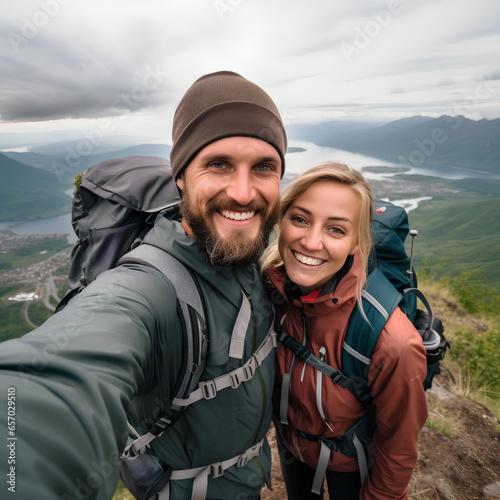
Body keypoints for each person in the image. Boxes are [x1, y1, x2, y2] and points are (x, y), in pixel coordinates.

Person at [0, 71, 287, 500]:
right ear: (180, 177)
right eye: (219, 164)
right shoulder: (147, 287)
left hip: (249, 479)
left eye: (264, 167)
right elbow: (54, 380)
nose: (244, 193)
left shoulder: (251, 257)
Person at [261, 163, 428, 500]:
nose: (310, 241)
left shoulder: (393, 343)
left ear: (357, 243)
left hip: (353, 464)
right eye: (300, 219)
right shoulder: (269, 289)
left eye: (336, 230)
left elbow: (398, 447)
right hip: (292, 448)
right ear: (281, 221)